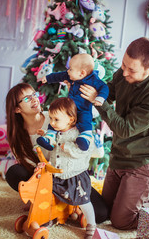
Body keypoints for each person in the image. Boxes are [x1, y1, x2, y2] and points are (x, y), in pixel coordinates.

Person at [5, 82, 109, 226]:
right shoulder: (17, 136)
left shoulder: (55, 116)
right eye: (27, 99)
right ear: (17, 108)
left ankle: (65, 204)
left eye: (34, 94)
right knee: (14, 172)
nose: (35, 99)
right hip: (45, 177)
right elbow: (27, 164)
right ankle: (47, 201)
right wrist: (39, 170)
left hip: (71, 175)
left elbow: (85, 119)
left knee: (101, 214)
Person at [79, 37, 149, 230]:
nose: (124, 72)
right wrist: (85, 90)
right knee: (103, 212)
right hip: (119, 155)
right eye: (123, 65)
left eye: (132, 70)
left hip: (141, 161)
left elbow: (125, 129)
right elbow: (109, 91)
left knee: (121, 221)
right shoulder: (124, 72)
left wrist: (100, 103)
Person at [37, 97, 98, 238]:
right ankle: (52, 216)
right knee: (52, 197)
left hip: (75, 176)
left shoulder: (80, 134)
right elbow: (53, 151)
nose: (51, 123)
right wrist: (46, 136)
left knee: (84, 201)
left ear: (71, 119)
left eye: (56, 119)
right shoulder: (57, 131)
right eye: (51, 118)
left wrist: (68, 147)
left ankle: (92, 224)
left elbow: (85, 151)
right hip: (58, 174)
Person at [38, 53, 109, 151]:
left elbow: (104, 88)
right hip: (69, 107)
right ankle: (49, 138)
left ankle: (85, 137)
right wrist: (48, 78)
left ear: (82, 73)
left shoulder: (94, 80)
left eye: (70, 69)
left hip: (84, 108)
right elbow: (59, 75)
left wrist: (100, 98)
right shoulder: (72, 75)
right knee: (57, 118)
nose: (68, 71)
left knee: (85, 119)